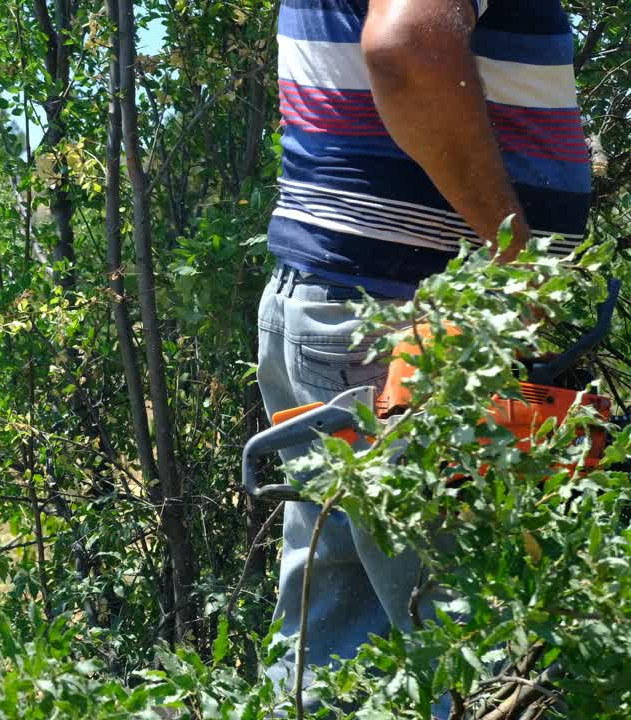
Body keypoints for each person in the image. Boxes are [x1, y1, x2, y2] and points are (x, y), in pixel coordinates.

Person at [256, 0, 592, 713]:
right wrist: (519, 261)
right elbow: (408, 49)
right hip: (408, 337)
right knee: (488, 664)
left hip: (343, 316)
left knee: (335, 663)